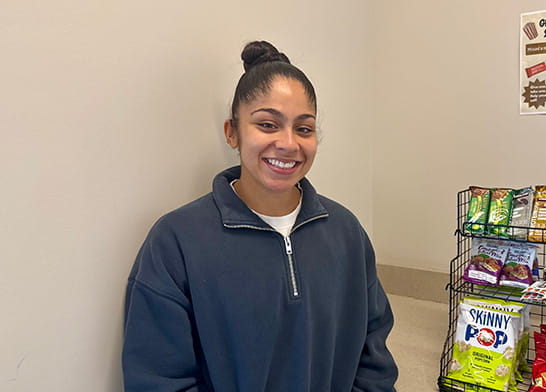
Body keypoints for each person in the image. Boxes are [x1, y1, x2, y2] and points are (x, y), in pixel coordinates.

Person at [122, 41, 398, 392]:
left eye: (304, 128)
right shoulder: (176, 241)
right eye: (267, 125)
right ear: (232, 132)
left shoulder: (346, 233)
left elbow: (373, 352)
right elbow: (157, 378)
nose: (288, 143)